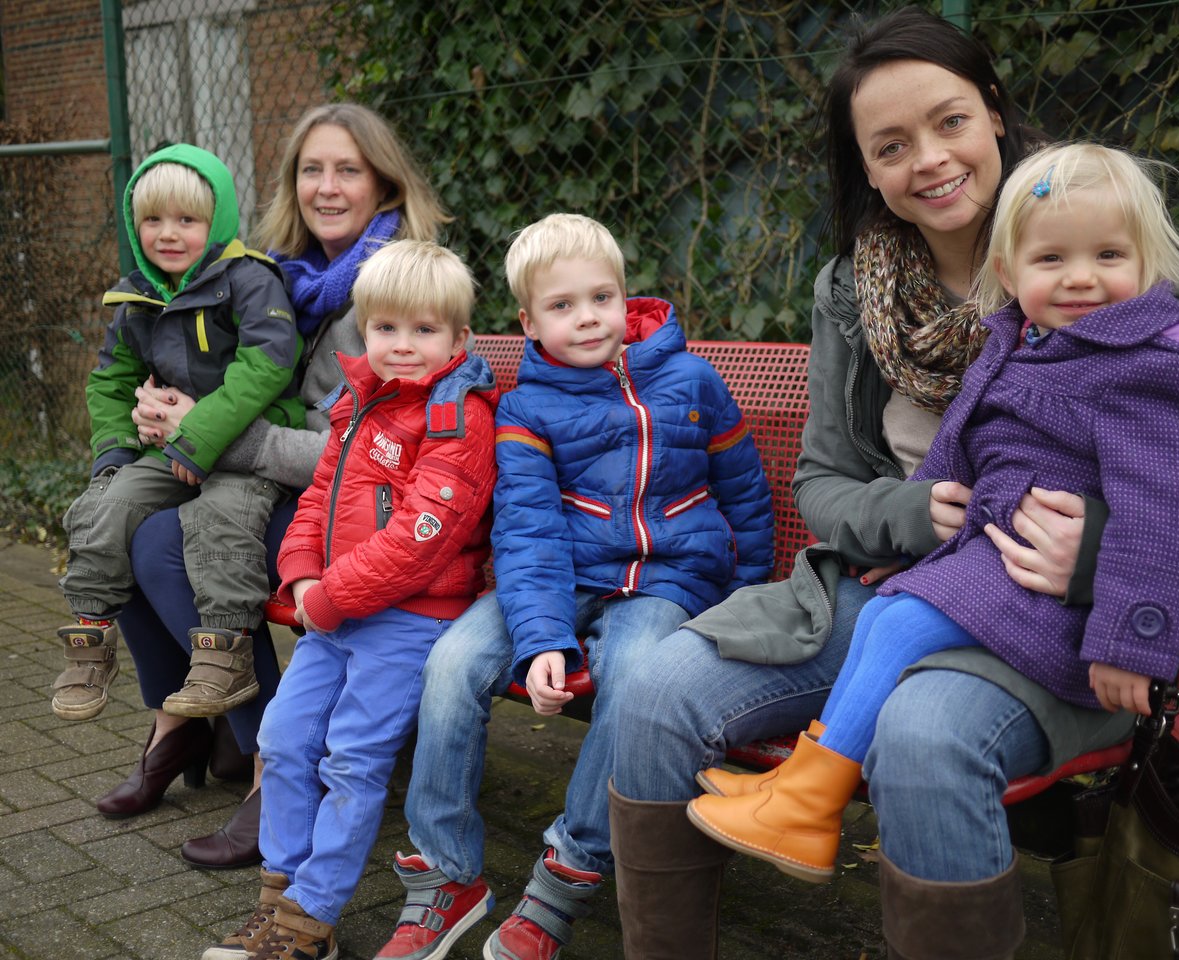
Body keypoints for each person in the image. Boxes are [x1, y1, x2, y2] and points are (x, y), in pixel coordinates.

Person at [605, 9, 1179, 959]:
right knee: (655, 688)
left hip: (1066, 615)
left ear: (993, 112)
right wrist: (915, 512)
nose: (928, 159)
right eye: (891, 145)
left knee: (923, 737)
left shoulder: (1102, 241)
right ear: (867, 167)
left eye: (950, 121)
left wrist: (1097, 557)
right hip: (897, 583)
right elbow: (824, 480)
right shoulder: (856, 290)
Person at [685, 141, 1179, 882]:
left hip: (1062, 607)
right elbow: (959, 455)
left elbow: (1163, 517)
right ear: (1008, 272)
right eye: (1052, 259)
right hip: (996, 565)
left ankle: (806, 804)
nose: (1081, 277)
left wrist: (1131, 641)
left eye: (1108, 255)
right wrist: (918, 555)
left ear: (1149, 264)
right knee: (885, 617)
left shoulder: (1153, 371)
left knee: (897, 624)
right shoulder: (1022, 341)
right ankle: (803, 788)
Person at [373, 213, 773, 960]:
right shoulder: (527, 408)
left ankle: (564, 880)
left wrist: (748, 599)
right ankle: (445, 872)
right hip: (560, 579)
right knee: (452, 661)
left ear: (625, 296)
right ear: (529, 322)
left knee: (640, 679)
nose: (586, 317)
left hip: (669, 583)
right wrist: (544, 639)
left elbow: (744, 491)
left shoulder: (692, 381)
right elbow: (528, 531)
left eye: (600, 298)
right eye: (562, 306)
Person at [104, 104, 449, 873]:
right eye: (311, 170)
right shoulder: (273, 271)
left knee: (169, 547)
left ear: (384, 184)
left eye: (348, 170)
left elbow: (379, 450)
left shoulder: (403, 283)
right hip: (281, 482)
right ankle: (188, 725)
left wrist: (219, 433)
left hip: (372, 509)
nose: (326, 187)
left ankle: (272, 765)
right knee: (130, 525)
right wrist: (160, 407)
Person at [204, 239, 498, 960]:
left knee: (351, 761)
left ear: (459, 339)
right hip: (336, 610)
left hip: (407, 621)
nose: (402, 345)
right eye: (386, 328)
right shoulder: (358, 402)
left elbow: (421, 539)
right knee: (283, 739)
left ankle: (310, 919)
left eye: (424, 330)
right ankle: (279, 896)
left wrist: (330, 596)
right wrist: (302, 573)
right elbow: (317, 499)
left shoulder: (457, 419)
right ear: (364, 330)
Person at [54, 143, 302, 725]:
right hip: (170, 448)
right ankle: (89, 640)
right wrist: (114, 454)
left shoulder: (249, 280)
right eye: (152, 220)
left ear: (216, 221)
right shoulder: (136, 297)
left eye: (187, 219)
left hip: (246, 449)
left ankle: (225, 652)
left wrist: (198, 435)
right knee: (106, 506)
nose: (168, 233)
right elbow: (111, 382)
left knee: (219, 522)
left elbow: (266, 366)